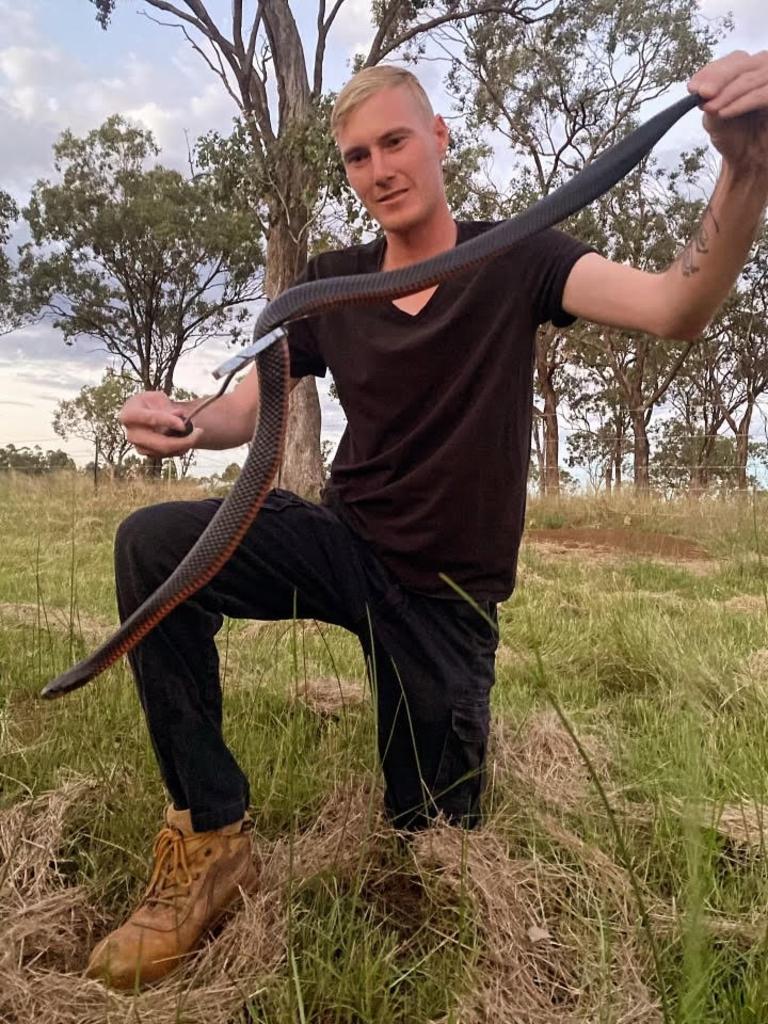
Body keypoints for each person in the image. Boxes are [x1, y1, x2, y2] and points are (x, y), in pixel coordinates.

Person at [85, 55, 768, 989]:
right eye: (358, 157)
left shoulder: (520, 255)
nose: (379, 170)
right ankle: (210, 835)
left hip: (444, 598)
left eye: (396, 141)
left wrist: (747, 166)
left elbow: (676, 305)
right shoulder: (329, 286)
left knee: (429, 850)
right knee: (156, 545)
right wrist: (181, 423)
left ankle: (429, 778)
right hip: (344, 544)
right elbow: (247, 409)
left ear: (440, 138)